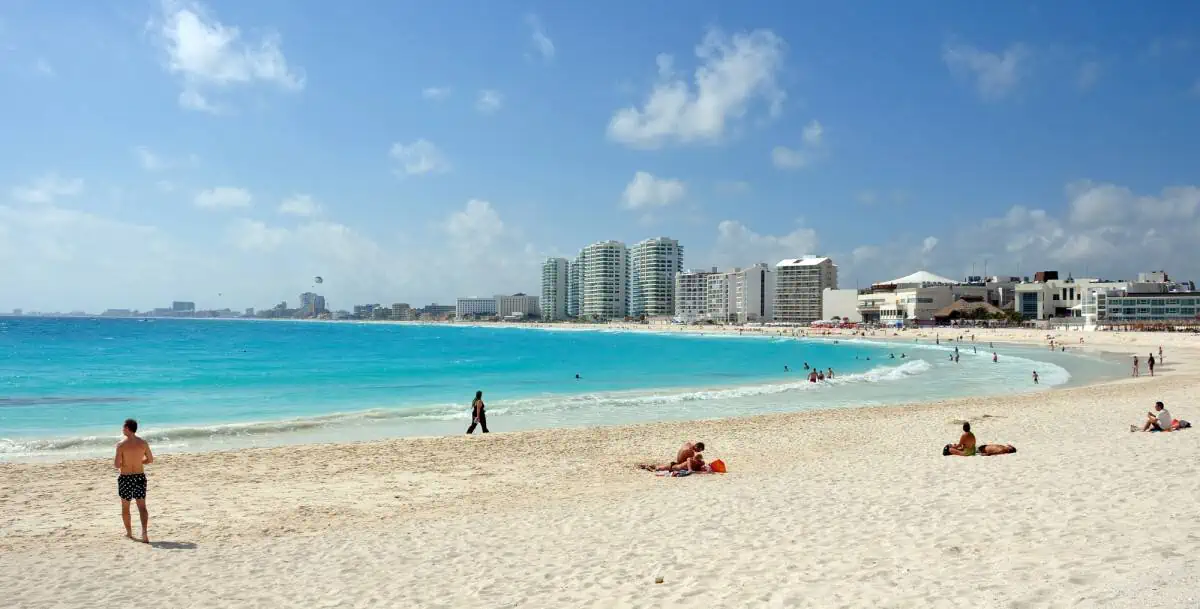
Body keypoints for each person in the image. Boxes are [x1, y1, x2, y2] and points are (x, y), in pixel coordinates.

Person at [114, 418, 153, 543]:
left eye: (123, 427)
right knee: (142, 506)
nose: (122, 429)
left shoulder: (121, 445)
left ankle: (129, 533)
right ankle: (144, 533)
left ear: (128, 429)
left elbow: (116, 464)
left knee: (126, 507)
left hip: (126, 478)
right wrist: (139, 461)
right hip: (139, 476)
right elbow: (150, 460)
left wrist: (125, 463)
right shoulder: (143, 443)